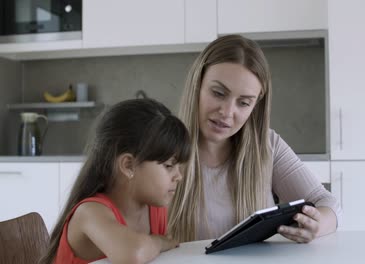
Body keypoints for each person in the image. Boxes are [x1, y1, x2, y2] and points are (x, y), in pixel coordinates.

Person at [168, 34, 342, 243]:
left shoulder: (268, 146)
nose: (227, 112)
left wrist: (316, 225)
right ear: (197, 85)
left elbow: (328, 204)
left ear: (255, 106)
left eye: (243, 103)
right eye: (218, 93)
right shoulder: (160, 147)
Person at [40, 98, 191, 264]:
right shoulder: (89, 213)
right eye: (169, 165)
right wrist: (161, 241)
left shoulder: (155, 209)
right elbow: (134, 254)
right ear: (128, 165)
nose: (179, 176)